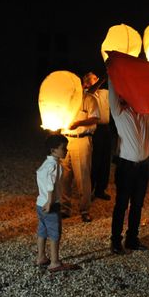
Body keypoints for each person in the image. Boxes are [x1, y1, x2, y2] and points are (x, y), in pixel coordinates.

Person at [107, 76, 149, 255]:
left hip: (142, 167)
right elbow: (112, 95)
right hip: (126, 166)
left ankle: (132, 238)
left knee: (137, 204)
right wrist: (112, 74)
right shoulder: (119, 113)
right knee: (121, 203)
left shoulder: (144, 112)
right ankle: (116, 241)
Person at [35, 134, 77, 272]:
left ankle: (41, 257)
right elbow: (50, 185)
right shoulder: (55, 165)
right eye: (63, 148)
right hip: (50, 204)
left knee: (42, 230)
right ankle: (54, 262)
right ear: (53, 150)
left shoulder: (46, 164)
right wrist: (50, 202)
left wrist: (45, 201)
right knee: (54, 233)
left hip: (40, 203)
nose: (66, 150)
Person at [60, 82, 100, 222]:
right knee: (64, 176)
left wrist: (78, 124)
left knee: (82, 176)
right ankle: (65, 208)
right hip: (66, 140)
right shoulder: (66, 101)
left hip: (82, 140)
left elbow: (95, 118)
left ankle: (84, 210)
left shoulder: (89, 99)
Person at [83, 72, 113, 201]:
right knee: (95, 160)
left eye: (97, 78)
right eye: (94, 78)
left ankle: (101, 189)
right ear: (88, 83)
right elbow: (90, 91)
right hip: (95, 129)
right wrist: (102, 80)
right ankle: (89, 190)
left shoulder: (104, 93)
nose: (97, 79)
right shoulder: (86, 94)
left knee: (105, 160)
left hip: (106, 128)